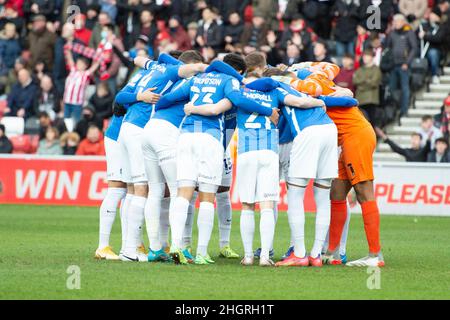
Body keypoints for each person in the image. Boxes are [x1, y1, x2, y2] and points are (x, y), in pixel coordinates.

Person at [155, 54, 279, 265]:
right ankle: (202, 252)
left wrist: (162, 105)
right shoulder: (229, 81)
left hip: (186, 136)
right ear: (236, 71)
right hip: (209, 138)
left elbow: (168, 99)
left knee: (183, 193)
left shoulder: (196, 79)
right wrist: (268, 111)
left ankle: (177, 246)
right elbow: (238, 100)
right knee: (207, 197)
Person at [288, 62, 384, 267]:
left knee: (364, 190)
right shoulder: (326, 87)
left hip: (355, 136)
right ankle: (333, 253)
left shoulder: (314, 90)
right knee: (337, 193)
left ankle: (375, 255)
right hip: (348, 139)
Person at [114, 53, 208, 262]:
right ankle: (173, 246)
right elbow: (192, 71)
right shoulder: (181, 77)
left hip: (137, 129)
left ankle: (150, 248)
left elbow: (141, 62)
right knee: (174, 190)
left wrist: (140, 93)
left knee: (146, 190)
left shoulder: (151, 70)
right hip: (149, 129)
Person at [385, 14, 418, 117]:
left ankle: (404, 110)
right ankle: (393, 111)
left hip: (404, 65)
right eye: (394, 21)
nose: (395, 23)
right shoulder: (392, 33)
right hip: (393, 65)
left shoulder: (409, 32)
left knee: (405, 88)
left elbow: (414, 49)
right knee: (391, 89)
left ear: (403, 22)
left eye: (397, 21)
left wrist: (407, 62)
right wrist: (388, 32)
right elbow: (387, 47)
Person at [63, 48, 100, 124]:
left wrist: (98, 59)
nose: (78, 65)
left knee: (77, 121)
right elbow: (70, 60)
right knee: (66, 120)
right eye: (78, 63)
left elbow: (94, 66)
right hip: (67, 100)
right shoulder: (73, 70)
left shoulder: (85, 74)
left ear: (85, 66)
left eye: (80, 63)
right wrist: (68, 50)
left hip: (77, 103)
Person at [353, 49, 382, 126]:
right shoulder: (360, 69)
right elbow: (355, 80)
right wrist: (366, 80)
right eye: (364, 56)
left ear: (372, 57)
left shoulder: (376, 69)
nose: (365, 58)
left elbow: (373, 83)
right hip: (360, 100)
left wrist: (361, 85)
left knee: (371, 123)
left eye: (367, 56)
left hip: (371, 100)